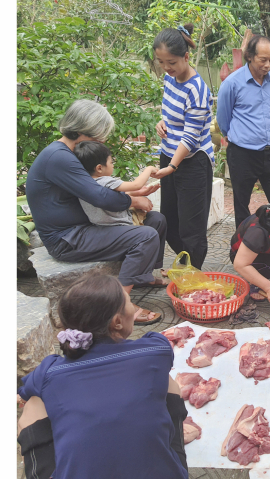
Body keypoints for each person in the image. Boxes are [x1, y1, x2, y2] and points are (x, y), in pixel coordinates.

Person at [17, 275, 188, 479]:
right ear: (117, 322)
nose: (135, 309)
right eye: (130, 303)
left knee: (34, 403)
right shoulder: (155, 351)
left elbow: (22, 393)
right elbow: (159, 346)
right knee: (168, 383)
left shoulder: (49, 370)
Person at [25, 99, 165, 324]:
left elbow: (100, 191)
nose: (101, 141)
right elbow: (101, 197)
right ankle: (118, 304)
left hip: (85, 228)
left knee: (156, 220)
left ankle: (142, 276)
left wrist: (134, 198)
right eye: (98, 136)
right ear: (80, 131)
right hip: (68, 238)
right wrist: (133, 200)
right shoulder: (59, 157)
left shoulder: (69, 153)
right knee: (145, 235)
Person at [153, 24, 215, 270]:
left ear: (186, 57)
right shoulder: (170, 80)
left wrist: (171, 166)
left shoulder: (198, 90)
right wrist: (161, 123)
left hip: (192, 163)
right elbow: (171, 114)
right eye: (161, 62)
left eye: (171, 62)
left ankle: (193, 274)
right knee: (169, 222)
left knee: (192, 228)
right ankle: (186, 266)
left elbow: (190, 138)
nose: (167, 68)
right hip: (170, 157)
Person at [217, 34, 270, 229]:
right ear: (250, 56)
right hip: (242, 153)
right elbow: (223, 119)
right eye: (262, 60)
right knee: (241, 204)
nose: (267, 65)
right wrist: (237, 137)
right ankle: (243, 246)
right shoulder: (232, 83)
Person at [74, 141, 159, 226]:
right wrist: (149, 169)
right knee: (153, 218)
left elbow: (114, 195)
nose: (113, 165)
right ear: (99, 168)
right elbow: (136, 185)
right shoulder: (105, 181)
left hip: (100, 226)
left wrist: (138, 193)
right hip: (123, 223)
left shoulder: (84, 184)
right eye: (111, 162)